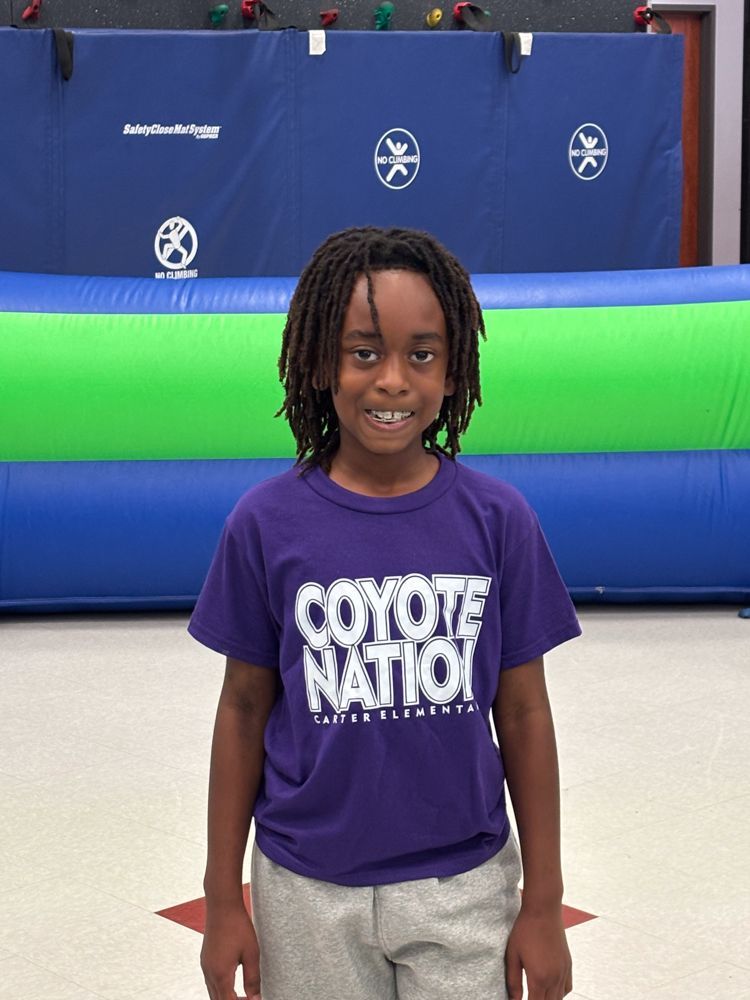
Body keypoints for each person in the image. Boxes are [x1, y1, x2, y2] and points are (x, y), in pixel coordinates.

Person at [188, 226, 581, 1000]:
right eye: (363, 353)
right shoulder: (265, 523)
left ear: (454, 367)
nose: (393, 380)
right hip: (306, 890)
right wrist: (222, 899)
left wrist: (543, 904)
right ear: (317, 361)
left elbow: (524, 713)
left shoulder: (499, 521)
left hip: (464, 885)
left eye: (422, 354)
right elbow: (242, 710)